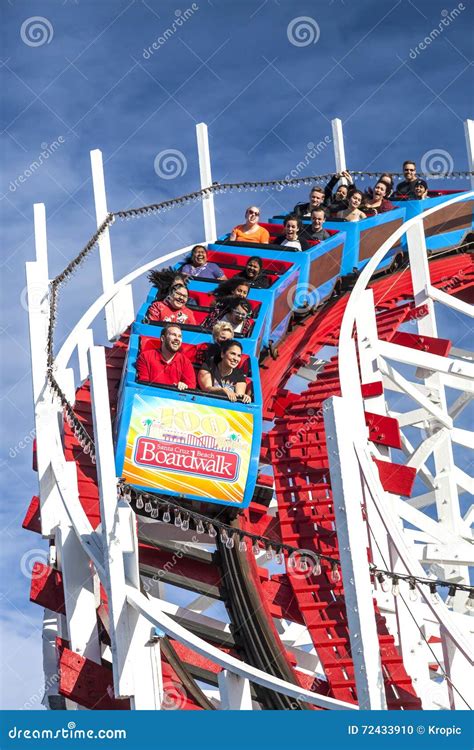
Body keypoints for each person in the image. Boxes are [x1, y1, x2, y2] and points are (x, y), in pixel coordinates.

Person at [135, 323, 196, 391]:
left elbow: (191, 387)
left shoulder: (186, 362)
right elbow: (142, 386)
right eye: (173, 335)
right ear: (163, 338)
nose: (177, 339)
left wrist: (184, 386)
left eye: (179, 336)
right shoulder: (145, 357)